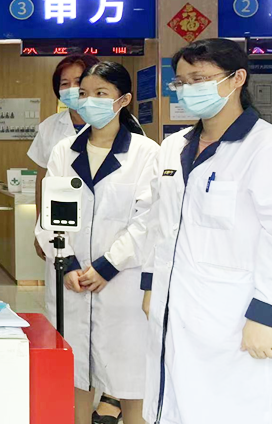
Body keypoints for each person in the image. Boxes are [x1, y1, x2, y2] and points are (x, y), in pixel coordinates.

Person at [141, 39, 272, 424]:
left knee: (229, 407)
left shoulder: (263, 147)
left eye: (199, 79)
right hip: (173, 301)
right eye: (181, 82)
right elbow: (157, 221)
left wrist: (265, 314)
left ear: (237, 79)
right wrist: (150, 284)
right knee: (173, 398)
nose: (187, 90)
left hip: (233, 314)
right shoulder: (172, 147)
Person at [35, 62, 159, 424]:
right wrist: (68, 264)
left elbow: (148, 220)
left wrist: (107, 266)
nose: (89, 100)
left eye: (101, 93)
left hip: (121, 285)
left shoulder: (146, 153)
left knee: (130, 380)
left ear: (124, 100)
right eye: (84, 93)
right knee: (73, 374)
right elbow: (50, 216)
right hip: (71, 281)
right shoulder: (64, 151)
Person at [28, 53, 101, 261]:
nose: (72, 89)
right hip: (60, 222)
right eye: (64, 83)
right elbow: (42, 181)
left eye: (78, 81)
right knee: (62, 274)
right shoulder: (49, 127)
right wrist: (40, 227)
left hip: (104, 225)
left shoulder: (121, 125)